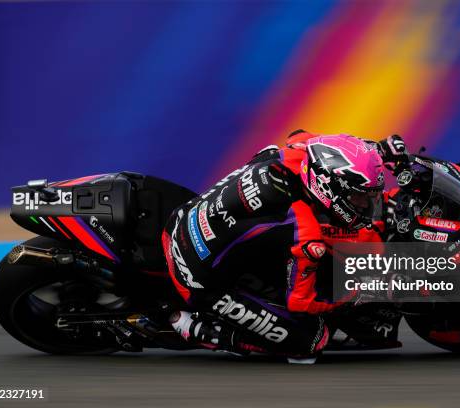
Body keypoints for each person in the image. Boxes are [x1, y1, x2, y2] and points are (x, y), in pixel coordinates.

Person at [162, 130, 407, 362]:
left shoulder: (296, 151)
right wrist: (361, 291)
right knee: (309, 341)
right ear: (329, 187)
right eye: (359, 196)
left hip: (181, 218)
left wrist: (379, 150)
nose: (365, 204)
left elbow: (311, 137)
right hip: (194, 277)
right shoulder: (305, 231)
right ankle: (203, 331)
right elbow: (302, 303)